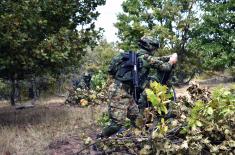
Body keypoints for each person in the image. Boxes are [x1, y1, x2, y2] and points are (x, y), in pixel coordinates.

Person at [100, 36, 177, 138]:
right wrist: (172, 61)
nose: (155, 50)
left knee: (137, 119)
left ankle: (135, 137)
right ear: (150, 47)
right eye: (154, 47)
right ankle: (100, 138)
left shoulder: (137, 56)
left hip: (125, 92)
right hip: (118, 92)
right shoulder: (145, 58)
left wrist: (170, 56)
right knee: (117, 124)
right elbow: (166, 67)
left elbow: (157, 60)